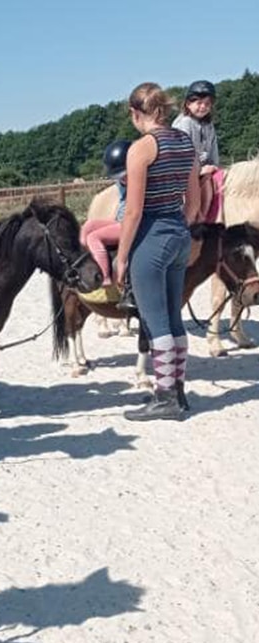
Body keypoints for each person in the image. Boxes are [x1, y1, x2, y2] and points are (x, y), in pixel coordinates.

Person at [115, 82, 200, 421]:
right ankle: (177, 391)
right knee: (174, 319)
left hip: (151, 237)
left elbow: (133, 212)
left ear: (136, 113)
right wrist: (180, 225)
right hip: (180, 233)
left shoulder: (142, 148)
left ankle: (164, 397)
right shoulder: (185, 142)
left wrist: (122, 257)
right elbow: (194, 203)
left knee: (156, 322)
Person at [79, 140, 130, 301]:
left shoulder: (139, 180)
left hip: (128, 224)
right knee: (89, 225)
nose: (122, 180)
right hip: (119, 220)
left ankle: (105, 275)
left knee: (94, 237)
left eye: (123, 175)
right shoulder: (122, 182)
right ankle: (84, 254)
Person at [172, 80, 219, 222]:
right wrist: (199, 171)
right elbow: (180, 155)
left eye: (207, 103)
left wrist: (214, 166)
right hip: (183, 172)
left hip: (203, 169)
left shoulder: (208, 125)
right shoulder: (184, 124)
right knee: (205, 184)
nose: (203, 107)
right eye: (198, 103)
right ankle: (195, 221)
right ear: (188, 104)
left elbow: (213, 151)